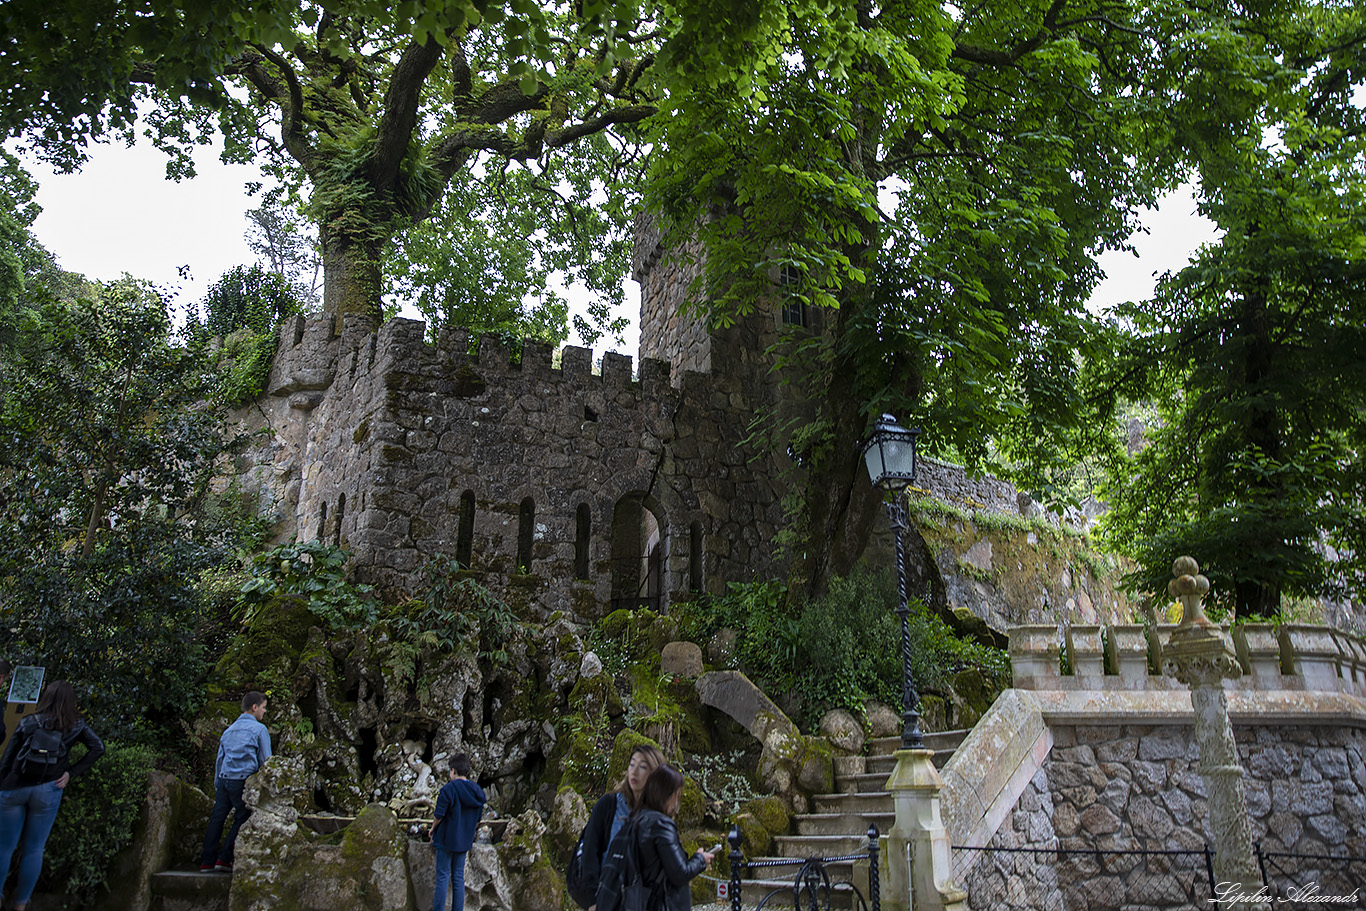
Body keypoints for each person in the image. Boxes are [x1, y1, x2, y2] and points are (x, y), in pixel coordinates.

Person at [0, 680, 105, 911]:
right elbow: (98, 747)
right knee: (34, 849)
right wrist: (71, 772)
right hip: (49, 788)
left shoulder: (29, 721)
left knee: (4, 848)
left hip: (15, 786)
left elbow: (8, 758)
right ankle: (20, 905)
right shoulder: (74, 724)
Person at [598, 764, 713, 911]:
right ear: (669, 795)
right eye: (677, 795)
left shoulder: (635, 819)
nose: (677, 803)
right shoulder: (661, 824)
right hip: (657, 903)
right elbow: (680, 873)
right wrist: (700, 859)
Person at [575, 744, 665, 909]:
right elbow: (590, 851)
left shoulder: (658, 816)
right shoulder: (608, 805)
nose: (635, 771)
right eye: (632, 764)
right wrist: (593, 900)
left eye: (642, 767)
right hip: (607, 898)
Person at [200, 691, 272, 873]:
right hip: (242, 780)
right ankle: (224, 859)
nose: (264, 712)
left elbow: (220, 760)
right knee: (243, 816)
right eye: (263, 708)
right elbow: (267, 760)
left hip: (224, 779)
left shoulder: (229, 730)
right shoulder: (259, 729)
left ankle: (207, 861)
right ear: (254, 707)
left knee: (217, 817)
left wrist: (217, 783)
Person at [429, 752, 486, 911]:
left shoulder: (448, 790)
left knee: (442, 877)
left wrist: (433, 828)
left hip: (446, 839)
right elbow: (478, 819)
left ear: (453, 771)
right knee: (458, 878)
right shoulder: (476, 792)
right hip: (464, 841)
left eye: (450, 771)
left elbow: (439, 814)